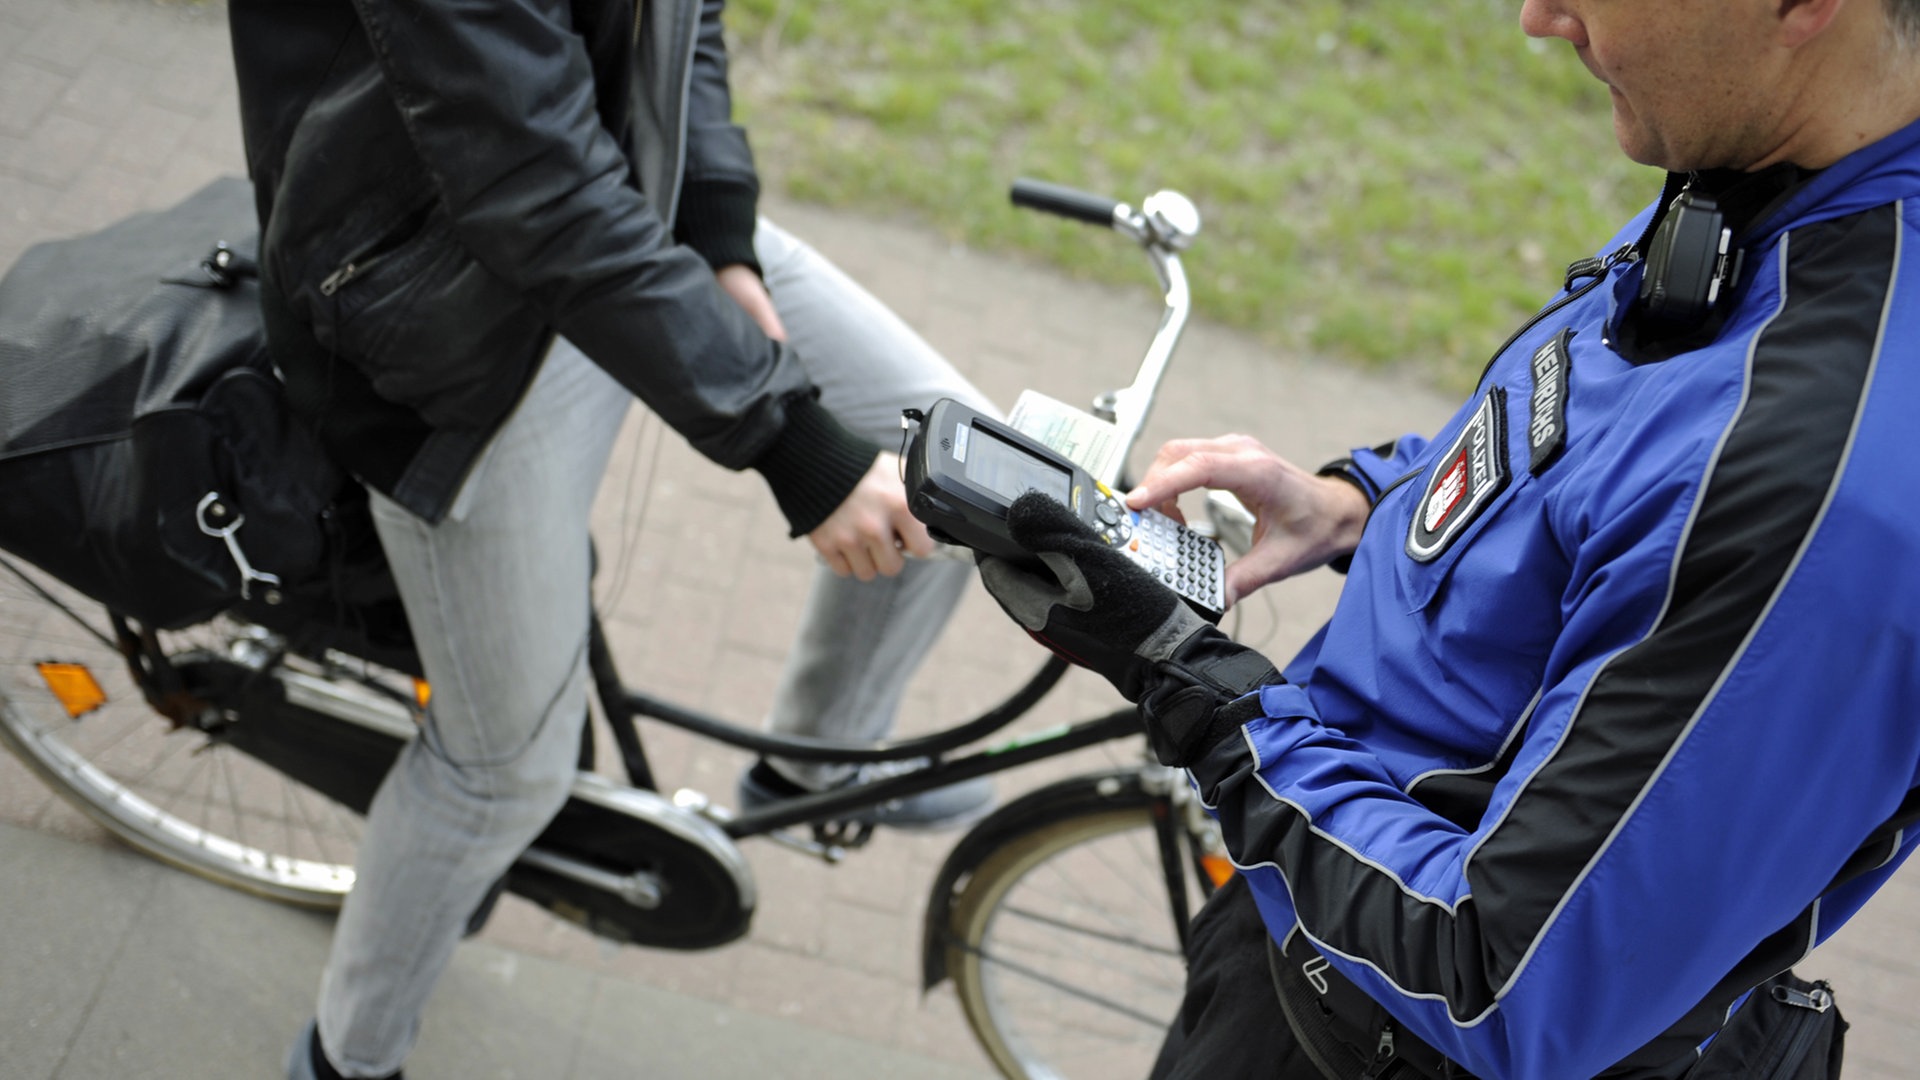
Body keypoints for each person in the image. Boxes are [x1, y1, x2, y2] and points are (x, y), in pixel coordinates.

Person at [977, 0, 1920, 1076]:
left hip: (1379, 1028)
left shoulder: (1831, 491)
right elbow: (1611, 456)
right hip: (1316, 897)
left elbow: (1504, 982)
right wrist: (1364, 501)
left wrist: (1194, 685)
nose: (1539, 18)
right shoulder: (1773, 179)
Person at [223, 1, 994, 1077]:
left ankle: (814, 760)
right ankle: (348, 1057)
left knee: (959, 460)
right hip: (451, 320)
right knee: (501, 774)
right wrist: (788, 443)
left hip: (621, 214)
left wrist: (722, 238)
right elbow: (527, 179)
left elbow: (686, 20)